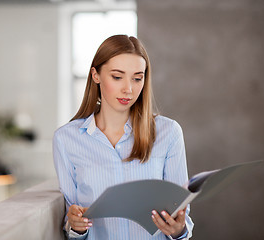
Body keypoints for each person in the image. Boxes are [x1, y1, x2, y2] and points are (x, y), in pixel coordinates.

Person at [53, 35, 194, 240]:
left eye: (137, 78)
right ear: (96, 75)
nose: (128, 89)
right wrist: (76, 226)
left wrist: (178, 230)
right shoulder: (66, 139)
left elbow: (183, 223)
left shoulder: (168, 132)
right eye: (117, 77)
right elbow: (72, 223)